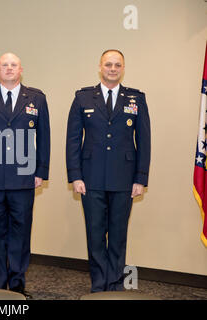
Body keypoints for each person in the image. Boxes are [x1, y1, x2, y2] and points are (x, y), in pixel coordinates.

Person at [65, 49, 151, 292]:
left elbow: (144, 141)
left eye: (117, 65)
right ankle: (99, 284)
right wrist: (75, 175)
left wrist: (140, 178)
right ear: (100, 67)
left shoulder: (136, 99)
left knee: (118, 235)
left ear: (123, 68)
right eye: (108, 64)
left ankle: (114, 286)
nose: (112, 69)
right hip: (90, 178)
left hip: (124, 179)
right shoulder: (83, 98)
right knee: (94, 235)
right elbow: (73, 139)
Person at [0, 53, 50, 298]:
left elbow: (44, 138)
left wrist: (41, 171)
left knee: (21, 233)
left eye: (13, 65)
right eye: (4, 65)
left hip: (24, 177)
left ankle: (17, 285)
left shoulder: (36, 98)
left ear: (20, 69)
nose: (9, 68)